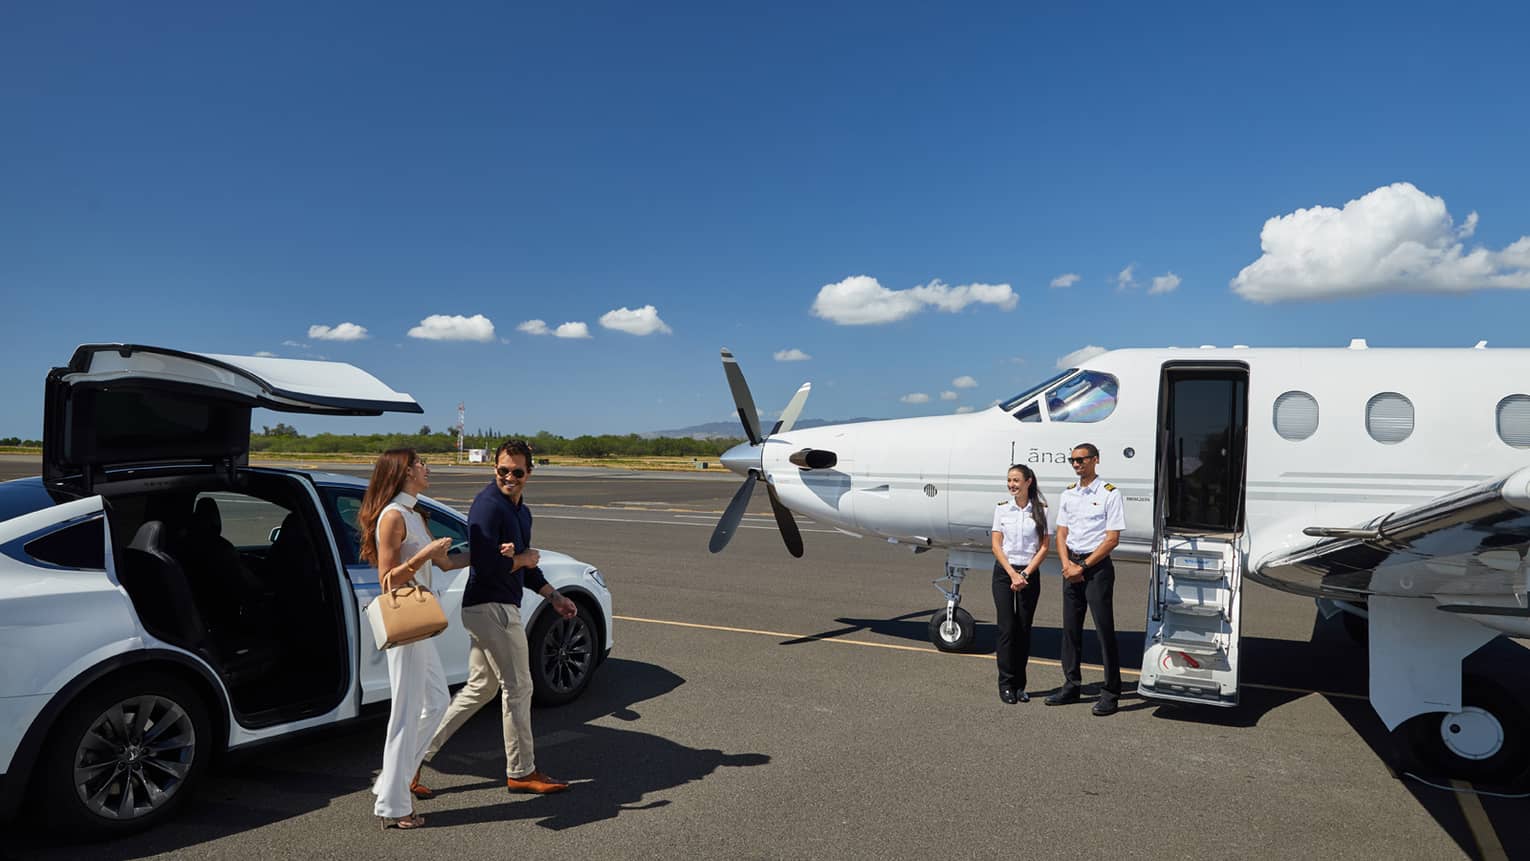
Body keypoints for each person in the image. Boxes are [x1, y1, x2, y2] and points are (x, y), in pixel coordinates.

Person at [417, 438, 579, 795]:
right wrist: (520, 559)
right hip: (491, 608)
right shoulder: (488, 506)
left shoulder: (521, 512)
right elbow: (487, 563)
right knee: (519, 688)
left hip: (496, 607)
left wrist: (552, 595)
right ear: (495, 469)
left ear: (529, 473)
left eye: (517, 472)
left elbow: (524, 565)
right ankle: (522, 771)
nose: (509, 477)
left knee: (480, 688)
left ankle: (412, 760)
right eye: (503, 470)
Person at [359, 449, 462, 829]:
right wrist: (424, 557)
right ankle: (393, 805)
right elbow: (386, 579)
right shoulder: (392, 516)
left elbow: (447, 563)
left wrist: (492, 555)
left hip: (423, 625)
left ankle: (391, 780)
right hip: (407, 622)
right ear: (403, 473)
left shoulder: (415, 515)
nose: (426, 468)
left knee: (435, 702)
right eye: (419, 464)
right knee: (404, 712)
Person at [1046, 442, 1127, 716]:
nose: (1077, 464)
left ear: (1095, 460)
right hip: (1071, 565)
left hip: (1097, 568)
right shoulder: (1068, 494)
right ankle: (1071, 685)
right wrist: (1067, 563)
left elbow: (1112, 539)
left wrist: (1083, 566)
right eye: (1073, 460)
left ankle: (1111, 691)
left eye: (1081, 459)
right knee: (1070, 629)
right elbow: (1060, 532)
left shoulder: (1109, 494)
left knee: (1104, 630)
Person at [991, 464, 1050, 704]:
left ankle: (1020, 686)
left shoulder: (1041, 510)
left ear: (1028, 481)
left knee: (1023, 630)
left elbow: (1044, 546)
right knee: (1007, 629)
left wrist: (1024, 574)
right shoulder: (1002, 509)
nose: (1012, 485)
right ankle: (1005, 684)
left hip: (1029, 573)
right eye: (1009, 480)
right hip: (1005, 573)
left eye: (1016, 480)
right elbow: (996, 545)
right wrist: (1013, 574)